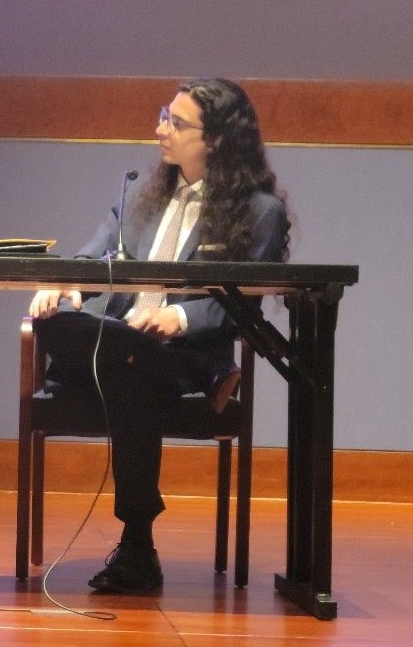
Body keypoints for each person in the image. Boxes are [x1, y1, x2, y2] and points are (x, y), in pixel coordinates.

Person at [29, 77, 290, 595]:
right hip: (123, 344)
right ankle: (138, 546)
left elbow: (241, 307)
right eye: (163, 114)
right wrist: (67, 289)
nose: (160, 128)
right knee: (58, 321)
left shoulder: (258, 212)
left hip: (175, 357)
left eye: (176, 121)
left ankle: (137, 544)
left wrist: (182, 318)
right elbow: (89, 261)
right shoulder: (139, 196)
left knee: (132, 370)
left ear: (214, 139)